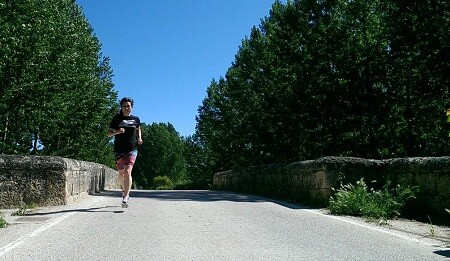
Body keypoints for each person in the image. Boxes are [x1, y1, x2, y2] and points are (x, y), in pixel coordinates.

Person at [107, 97, 143, 208]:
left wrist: (139, 138)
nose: (127, 108)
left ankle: (126, 197)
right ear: (121, 107)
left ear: (131, 107)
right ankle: (123, 190)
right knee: (121, 174)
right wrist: (117, 131)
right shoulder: (117, 119)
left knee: (128, 172)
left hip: (132, 149)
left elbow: (138, 128)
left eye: (129, 106)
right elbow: (108, 133)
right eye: (124, 106)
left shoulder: (136, 119)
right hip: (119, 150)